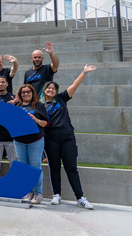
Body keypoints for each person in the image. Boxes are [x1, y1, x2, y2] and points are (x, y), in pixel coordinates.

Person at [42, 65, 97, 210]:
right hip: (51, 139)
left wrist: (84, 72)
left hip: (67, 138)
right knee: (54, 167)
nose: (51, 90)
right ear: (44, 90)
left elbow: (74, 85)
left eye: (53, 88)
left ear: (56, 91)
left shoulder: (62, 98)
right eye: (48, 88)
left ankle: (80, 198)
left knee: (71, 168)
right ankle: (56, 195)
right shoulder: (40, 105)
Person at [13, 84, 49, 205]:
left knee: (35, 166)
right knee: (24, 167)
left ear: (32, 93)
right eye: (23, 92)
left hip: (35, 140)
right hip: (19, 140)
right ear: (20, 94)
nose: (26, 94)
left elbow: (46, 123)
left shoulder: (38, 105)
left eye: (28, 92)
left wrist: (35, 119)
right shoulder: (16, 105)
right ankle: (28, 191)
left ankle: (38, 193)